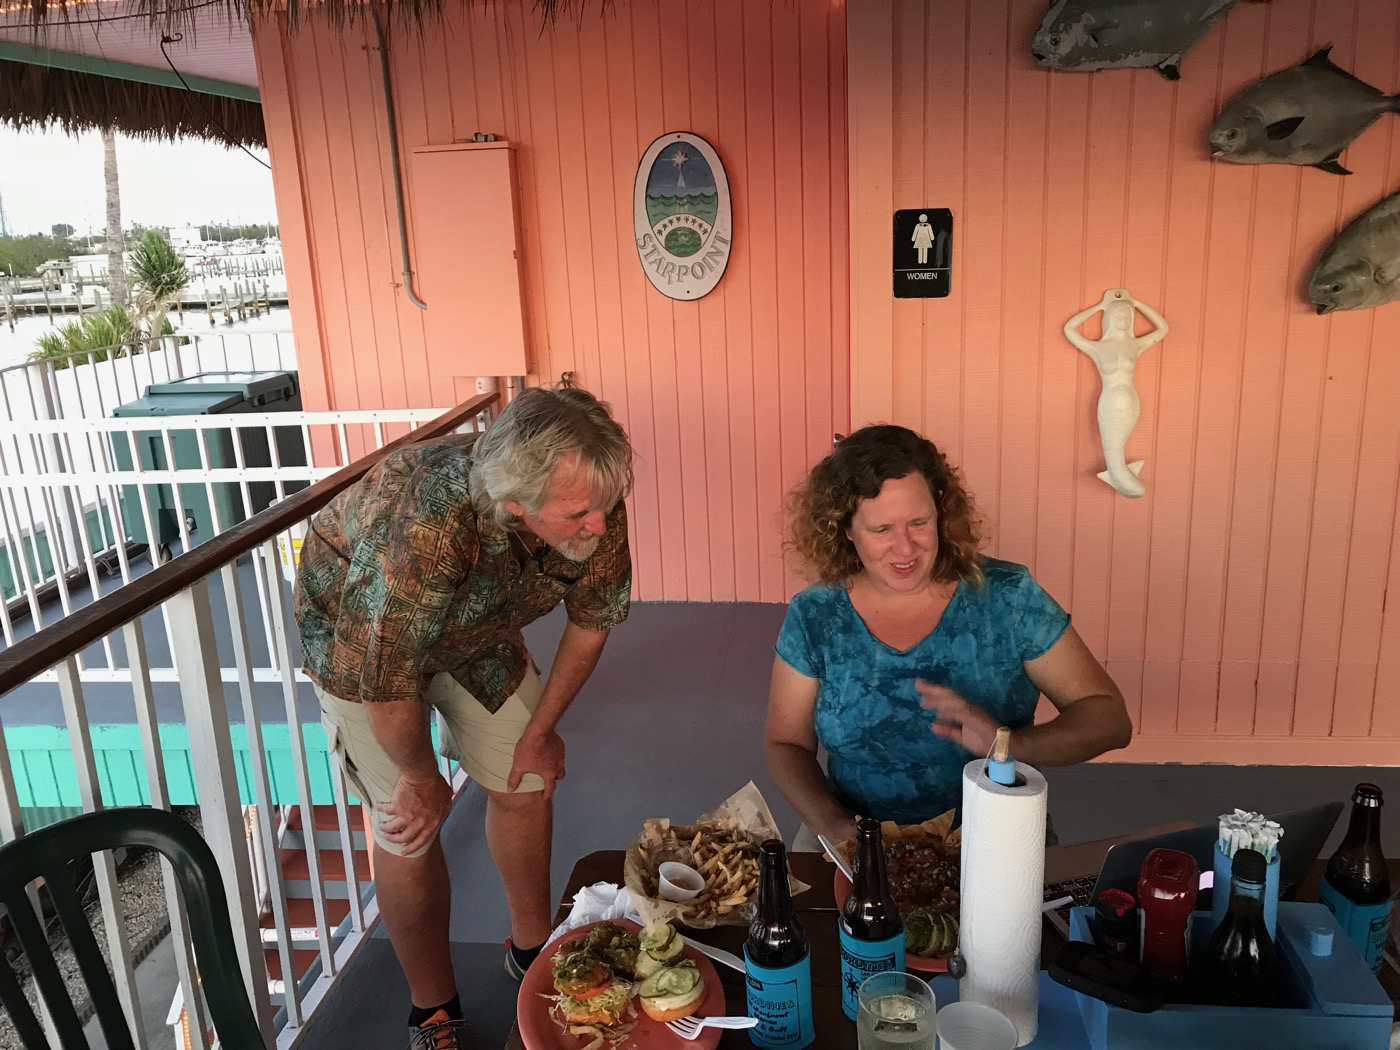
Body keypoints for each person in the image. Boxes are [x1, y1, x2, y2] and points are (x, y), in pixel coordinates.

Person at [294, 386, 633, 1049]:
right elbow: (386, 683)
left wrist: (540, 733)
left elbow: (593, 621)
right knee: (407, 826)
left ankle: (532, 950)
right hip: (362, 647)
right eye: (577, 515)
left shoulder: (592, 498)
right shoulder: (425, 524)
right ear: (517, 503)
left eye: (604, 506)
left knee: (526, 778)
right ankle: (434, 1008)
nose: (599, 525)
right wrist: (421, 779)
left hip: (476, 628)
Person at [764, 425, 1132, 847]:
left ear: (940, 511)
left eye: (918, 522)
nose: (906, 548)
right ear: (844, 529)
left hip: (994, 834)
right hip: (851, 833)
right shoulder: (816, 615)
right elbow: (785, 743)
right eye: (881, 530)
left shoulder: (1009, 597)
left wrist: (1008, 743)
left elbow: (1109, 719)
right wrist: (833, 826)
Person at [1062, 288, 1169, 499]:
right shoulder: (1098, 347)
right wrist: (1101, 307)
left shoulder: (1135, 345)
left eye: (1128, 316)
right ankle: (1118, 475)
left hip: (1130, 402)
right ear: (1109, 319)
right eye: (1119, 315)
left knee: (1119, 444)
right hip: (1109, 403)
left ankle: (1122, 477)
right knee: (1113, 448)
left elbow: (1163, 328)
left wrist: (1135, 304)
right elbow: (1069, 329)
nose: (1124, 319)